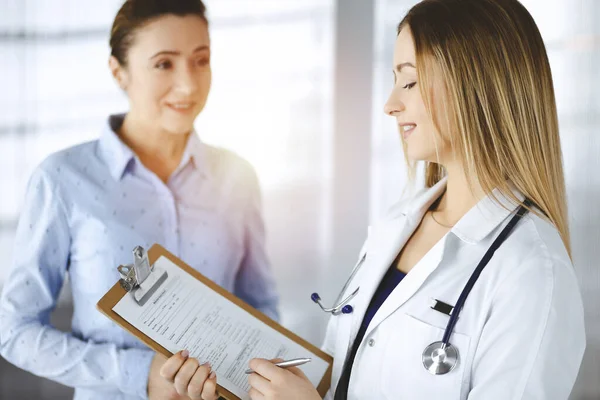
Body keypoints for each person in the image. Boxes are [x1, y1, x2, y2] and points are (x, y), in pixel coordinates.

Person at [162, 0, 587, 399]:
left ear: (476, 82)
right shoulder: (398, 223)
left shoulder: (531, 273)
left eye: (410, 80)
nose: (390, 104)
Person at [0, 1, 279, 399]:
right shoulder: (62, 179)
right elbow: (14, 331)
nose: (188, 84)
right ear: (119, 72)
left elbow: (261, 307)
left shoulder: (238, 176)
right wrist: (136, 372)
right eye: (164, 64)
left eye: (201, 60)